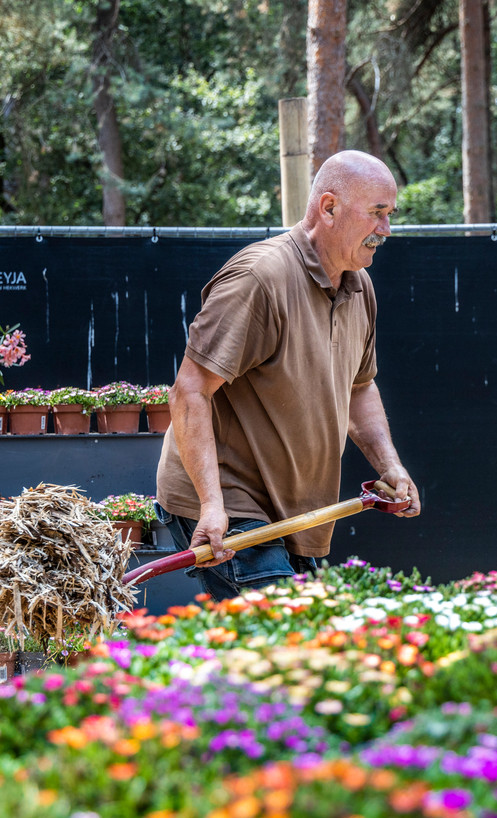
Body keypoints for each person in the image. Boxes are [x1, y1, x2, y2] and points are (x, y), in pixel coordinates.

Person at [154, 150, 420, 601]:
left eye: (389, 215)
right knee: (282, 646)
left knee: (288, 653)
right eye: (377, 214)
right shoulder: (260, 278)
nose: (386, 230)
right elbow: (189, 391)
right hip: (232, 504)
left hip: (298, 512)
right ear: (329, 207)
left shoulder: (358, 285)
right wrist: (212, 505)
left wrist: (390, 467)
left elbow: (360, 386)